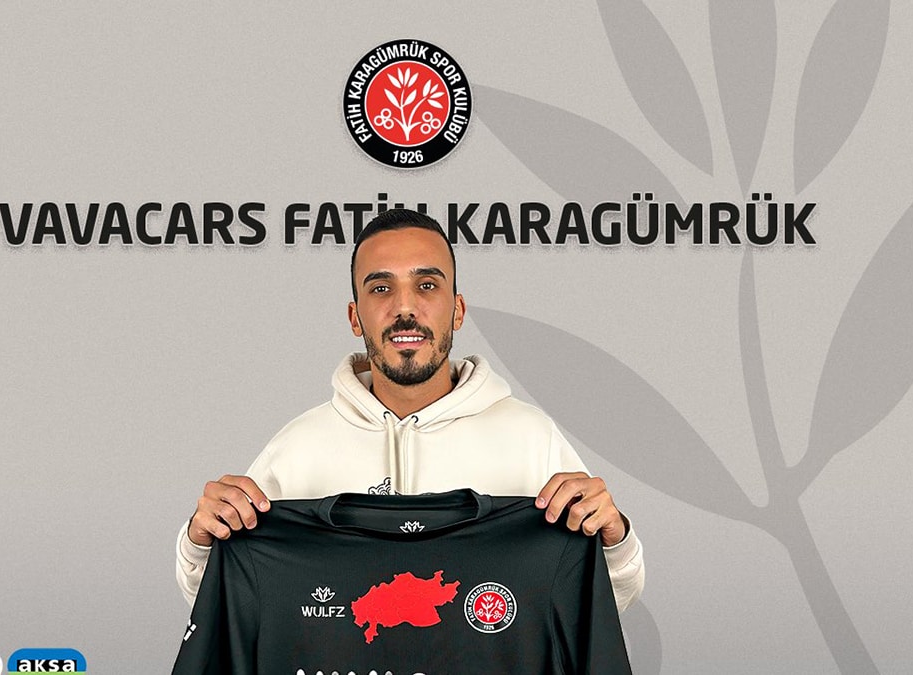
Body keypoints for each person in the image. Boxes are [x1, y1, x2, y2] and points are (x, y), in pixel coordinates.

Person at [175, 208, 645, 613]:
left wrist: (614, 538)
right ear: (355, 316)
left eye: (426, 285)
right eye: (381, 288)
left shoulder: (530, 437)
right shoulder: (297, 447)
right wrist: (200, 544)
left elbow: (607, 596)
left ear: (457, 310)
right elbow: (229, 597)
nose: (405, 307)